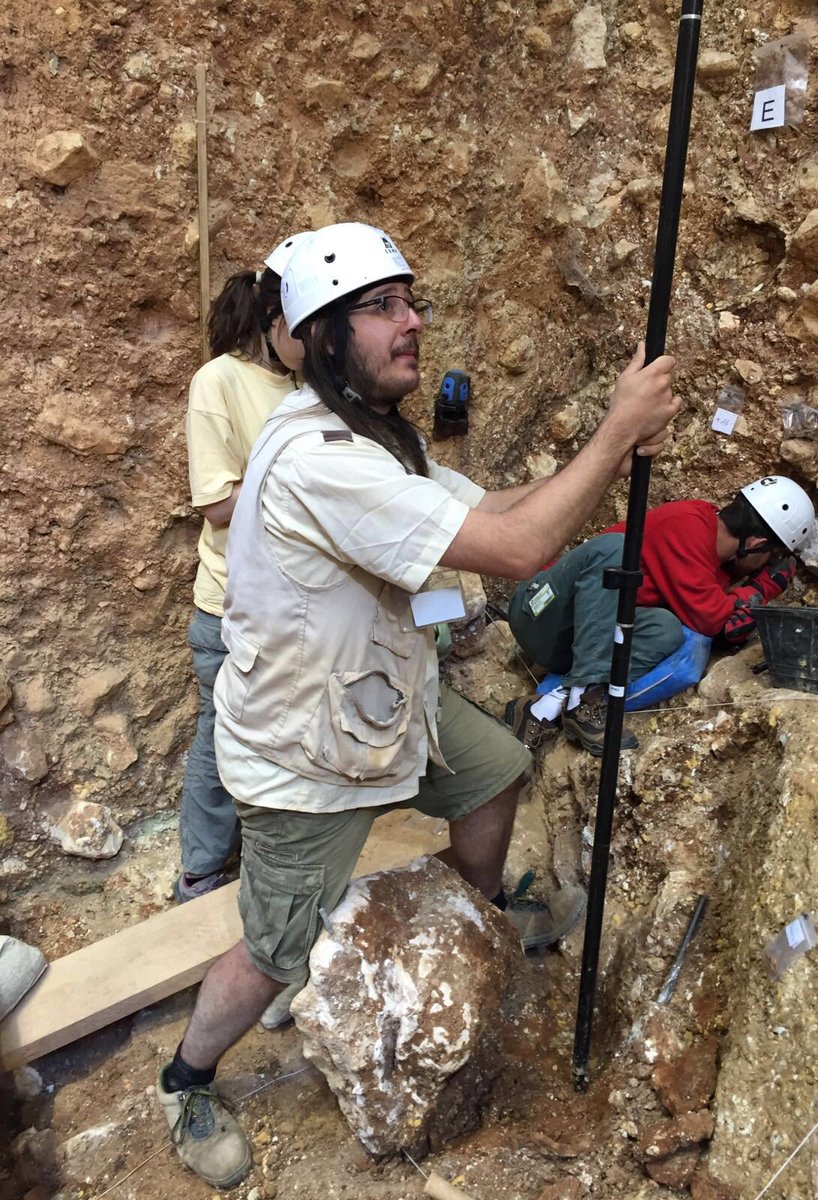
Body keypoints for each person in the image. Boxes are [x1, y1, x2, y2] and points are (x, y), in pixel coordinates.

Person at [154, 222, 679, 1189]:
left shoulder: (375, 436)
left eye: (412, 301)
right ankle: (185, 1080)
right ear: (321, 334)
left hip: (381, 702)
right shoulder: (321, 457)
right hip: (309, 749)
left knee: (495, 769)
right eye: (384, 307)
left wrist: (602, 457)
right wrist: (615, 434)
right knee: (272, 949)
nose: (414, 322)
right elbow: (517, 547)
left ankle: (472, 918)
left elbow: (491, 510)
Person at [176, 233, 310, 904]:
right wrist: (302, 485)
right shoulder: (219, 381)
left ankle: (272, 874)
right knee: (221, 739)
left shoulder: (304, 386)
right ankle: (199, 872)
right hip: (231, 609)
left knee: (284, 742)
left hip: (293, 608)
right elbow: (217, 505)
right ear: (272, 320)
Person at [505, 476, 816, 754]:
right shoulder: (688, 526)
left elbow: (713, 619)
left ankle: (548, 708)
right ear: (756, 543)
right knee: (614, 550)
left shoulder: (718, 564)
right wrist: (759, 589)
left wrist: (740, 597)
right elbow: (711, 617)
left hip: (574, 644)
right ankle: (580, 698)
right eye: (771, 557)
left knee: (666, 629)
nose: (765, 566)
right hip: (540, 613)